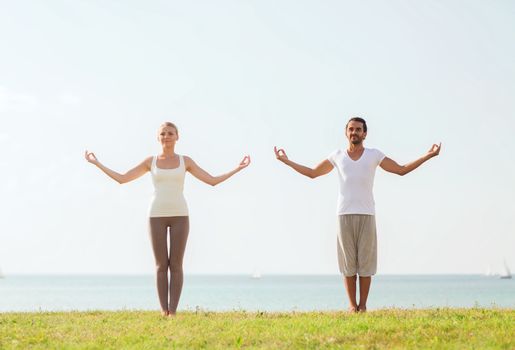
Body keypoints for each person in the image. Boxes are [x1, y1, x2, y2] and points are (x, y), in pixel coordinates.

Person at [274, 117, 440, 313]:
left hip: (367, 214)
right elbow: (312, 173)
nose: (354, 133)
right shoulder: (337, 156)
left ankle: (363, 306)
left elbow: (401, 170)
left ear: (365, 133)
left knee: (366, 263)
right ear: (346, 132)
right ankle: (352, 306)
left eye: (358, 130)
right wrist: (286, 161)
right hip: (343, 214)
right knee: (348, 263)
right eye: (351, 129)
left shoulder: (374, 155)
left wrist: (428, 156)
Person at [85, 122, 250, 316]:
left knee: (176, 265)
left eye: (170, 133)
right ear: (158, 138)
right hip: (156, 215)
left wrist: (237, 169)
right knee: (161, 265)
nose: (167, 136)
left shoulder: (185, 161)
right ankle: (164, 310)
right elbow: (122, 178)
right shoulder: (150, 162)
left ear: (177, 137)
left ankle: (173, 312)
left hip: (180, 214)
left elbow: (211, 180)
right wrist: (97, 164)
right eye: (163, 134)